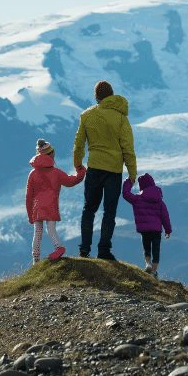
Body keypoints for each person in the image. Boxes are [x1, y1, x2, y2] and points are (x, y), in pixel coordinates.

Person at [73, 80, 137, 260]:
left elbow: (79, 144)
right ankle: (104, 250)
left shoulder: (87, 115)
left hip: (94, 168)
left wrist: (78, 164)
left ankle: (84, 250)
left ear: (96, 97)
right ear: (112, 95)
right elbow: (128, 148)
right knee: (109, 212)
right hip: (114, 172)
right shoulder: (121, 118)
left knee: (89, 209)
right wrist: (132, 174)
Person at [26, 138, 86, 263]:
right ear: (51, 154)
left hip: (37, 207)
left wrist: (29, 214)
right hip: (51, 205)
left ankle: (35, 259)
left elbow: (29, 195)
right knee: (51, 229)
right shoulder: (56, 172)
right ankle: (59, 247)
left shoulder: (32, 173)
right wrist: (81, 171)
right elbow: (71, 181)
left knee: (37, 233)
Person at [122, 173, 172, 279]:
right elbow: (165, 217)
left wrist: (129, 181)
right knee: (156, 249)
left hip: (144, 230)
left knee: (146, 247)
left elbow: (125, 193)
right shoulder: (159, 201)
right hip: (156, 230)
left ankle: (148, 263)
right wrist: (168, 230)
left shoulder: (137, 199)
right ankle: (154, 271)